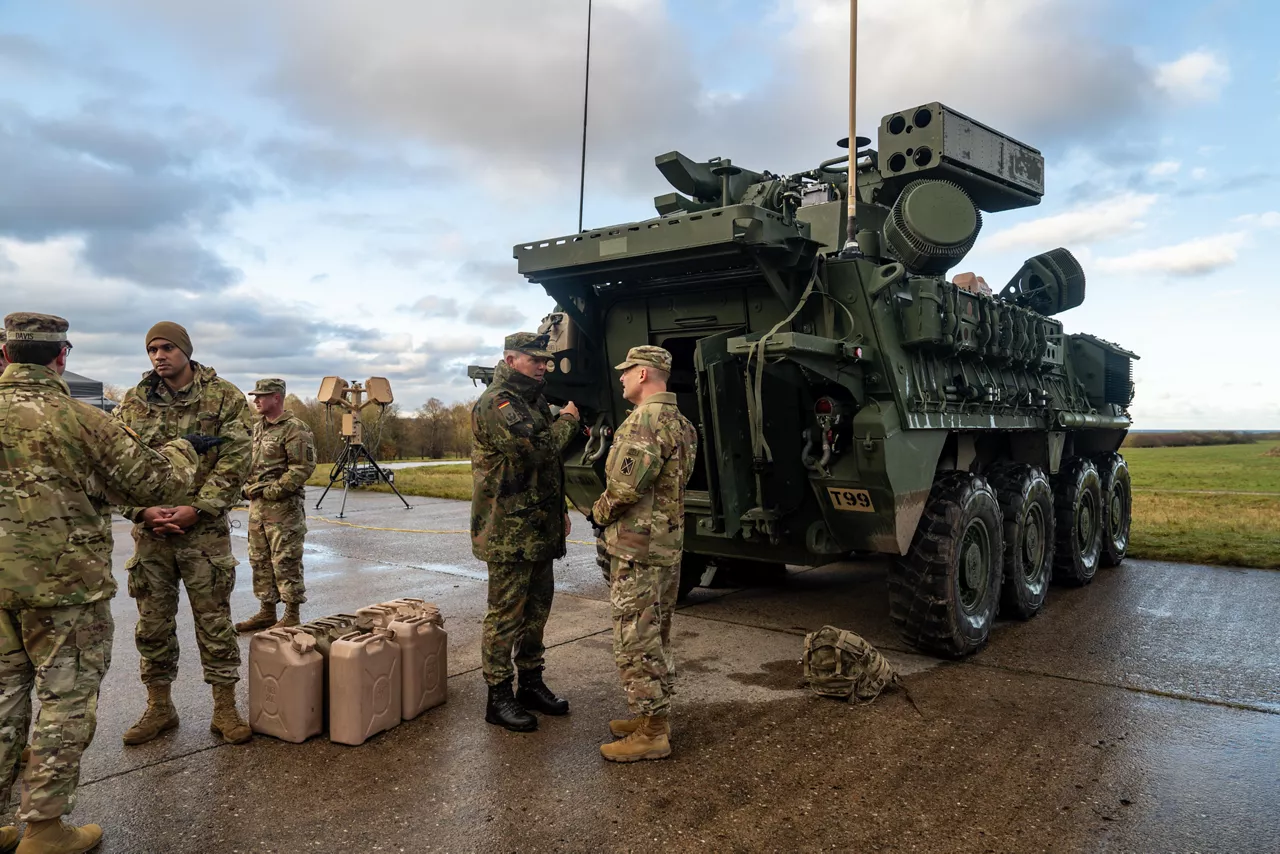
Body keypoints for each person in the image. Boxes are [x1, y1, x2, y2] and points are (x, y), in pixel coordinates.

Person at [0, 312, 221, 854]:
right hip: (64, 590)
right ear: (61, 355)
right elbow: (154, 479)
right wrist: (186, 446)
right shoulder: (81, 420)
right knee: (64, 702)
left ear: (6, 355)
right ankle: (45, 829)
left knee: (3, 700)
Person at [113, 322, 254, 746]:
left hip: (204, 533)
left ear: (186, 351)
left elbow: (237, 458)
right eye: (152, 349)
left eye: (168, 348)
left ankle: (225, 708)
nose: (159, 356)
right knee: (152, 625)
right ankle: (160, 706)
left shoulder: (223, 396)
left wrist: (199, 508)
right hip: (151, 533)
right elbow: (116, 464)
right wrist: (139, 510)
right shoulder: (134, 403)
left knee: (214, 622)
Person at [590, 345, 697, 763]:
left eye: (627, 370)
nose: (621, 378)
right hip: (665, 545)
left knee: (635, 638)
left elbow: (623, 489)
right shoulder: (682, 422)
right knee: (657, 633)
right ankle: (655, 717)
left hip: (638, 549)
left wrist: (598, 515)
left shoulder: (645, 423)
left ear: (644, 375)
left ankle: (652, 731)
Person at [471, 332, 580, 732]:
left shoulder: (532, 400)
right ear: (510, 359)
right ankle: (498, 695)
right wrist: (569, 420)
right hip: (507, 529)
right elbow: (534, 451)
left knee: (537, 612)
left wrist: (560, 508)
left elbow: (547, 468)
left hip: (539, 524)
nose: (543, 366)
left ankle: (530, 683)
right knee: (505, 616)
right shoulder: (498, 403)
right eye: (535, 360)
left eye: (545, 361)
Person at [234, 379, 317, 633]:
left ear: (277, 398)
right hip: (257, 509)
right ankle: (267, 612)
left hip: (284, 510)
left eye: (261, 396)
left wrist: (271, 491)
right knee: (259, 560)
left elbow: (302, 468)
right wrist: (245, 487)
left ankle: (292, 614)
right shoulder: (257, 428)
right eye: (255, 396)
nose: (256, 400)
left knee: (286, 560)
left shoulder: (295, 429)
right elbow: (250, 463)